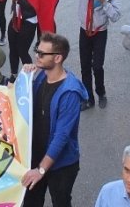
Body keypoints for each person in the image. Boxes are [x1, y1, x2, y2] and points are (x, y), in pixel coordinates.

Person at [21, 32, 88, 207]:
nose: (37, 56)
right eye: (37, 51)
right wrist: (25, 77)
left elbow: (61, 136)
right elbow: (21, 103)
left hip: (61, 165)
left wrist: (41, 170)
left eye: (42, 54)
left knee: (61, 202)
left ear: (57, 58)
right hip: (35, 157)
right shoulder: (41, 75)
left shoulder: (70, 93)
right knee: (30, 202)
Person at [74, 0, 122, 111]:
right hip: (84, 30)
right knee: (85, 66)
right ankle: (88, 98)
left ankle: (101, 92)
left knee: (97, 66)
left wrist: (103, 2)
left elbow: (115, 16)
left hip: (100, 32)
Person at [7, 0, 37, 82]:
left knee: (22, 51)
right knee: (13, 49)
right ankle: (14, 74)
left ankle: (30, 77)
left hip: (29, 21)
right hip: (15, 19)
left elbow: (34, 7)